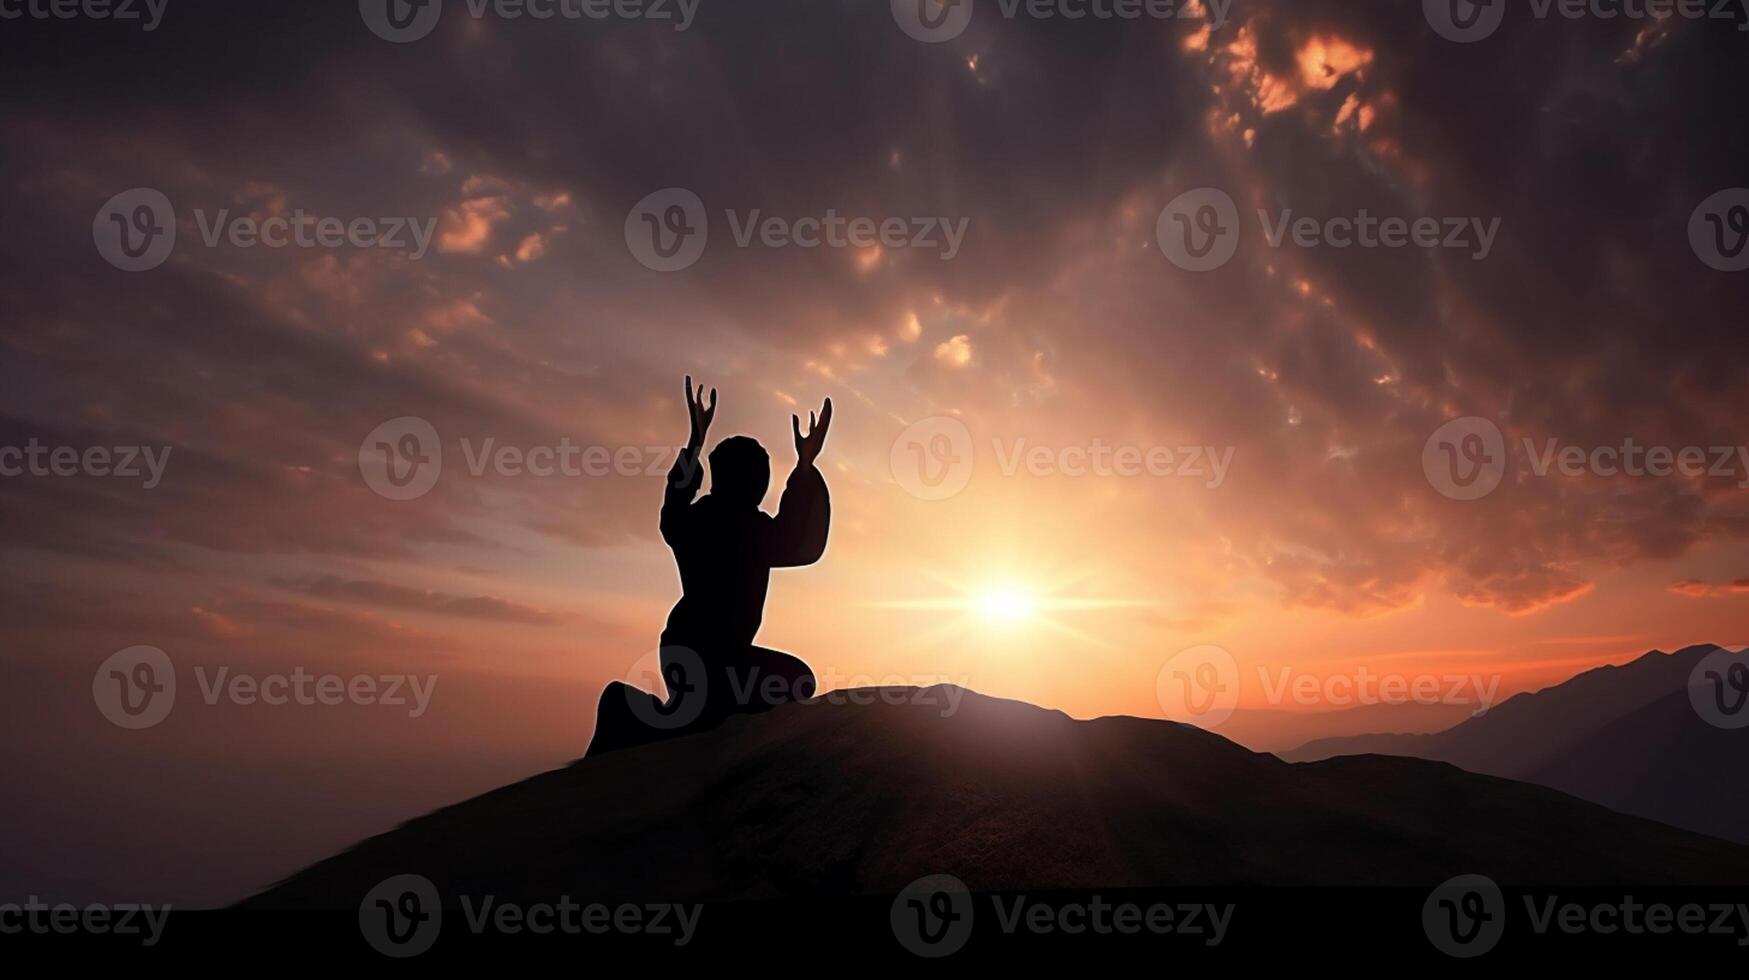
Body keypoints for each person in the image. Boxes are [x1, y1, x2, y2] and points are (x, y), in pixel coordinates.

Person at [586, 377, 833, 756]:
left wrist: (694, 444)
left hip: (681, 651)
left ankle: (641, 713)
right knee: (793, 683)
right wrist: (803, 466)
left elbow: (674, 503)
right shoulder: (754, 530)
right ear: (755, 481)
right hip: (718, 663)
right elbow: (801, 542)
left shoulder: (695, 522)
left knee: (706, 713)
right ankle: (631, 713)